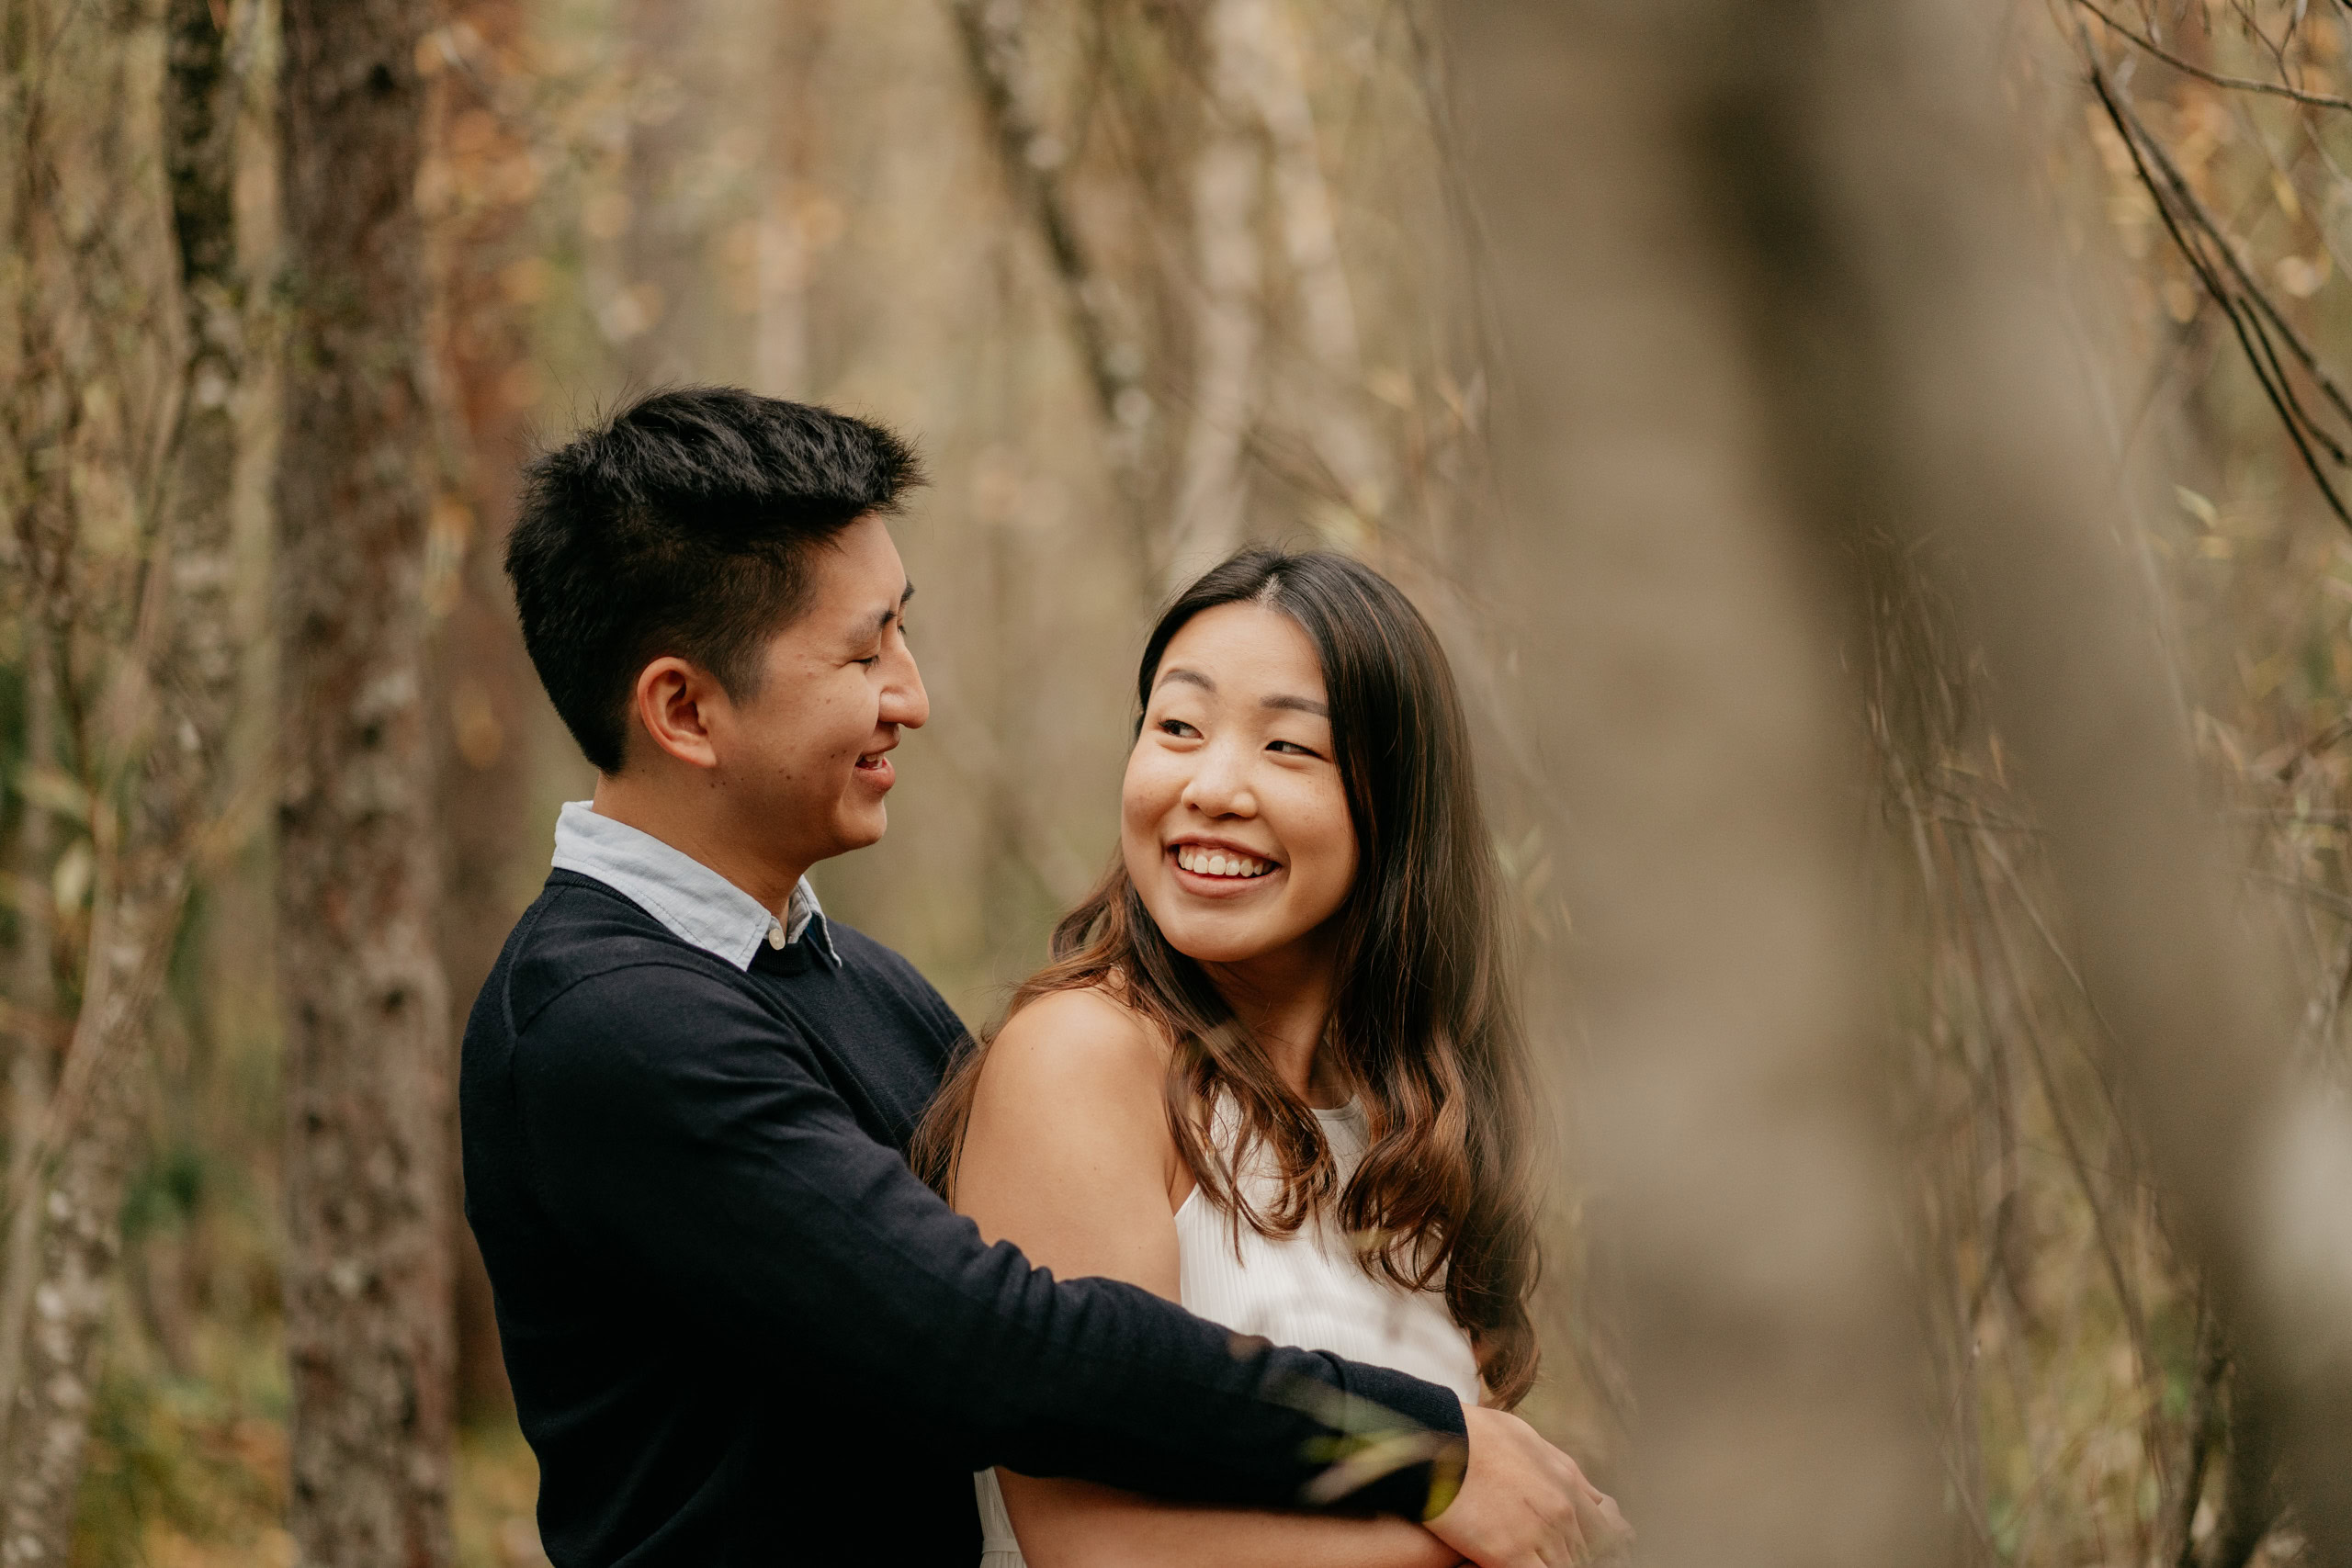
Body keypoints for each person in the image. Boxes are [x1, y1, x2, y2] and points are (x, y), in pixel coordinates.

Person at [459, 388, 1600, 1567]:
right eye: (865, 651)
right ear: (684, 710)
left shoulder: (848, 977)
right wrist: (1420, 1451)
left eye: (902, 629)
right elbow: (990, 1344)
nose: (912, 695)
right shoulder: (604, 1025)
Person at [913, 548, 1630, 1568]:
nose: (1211, 786)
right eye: (1177, 728)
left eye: (1290, 748)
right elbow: (1097, 1548)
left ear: (1398, 807)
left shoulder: (1414, 1115)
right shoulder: (1084, 1059)